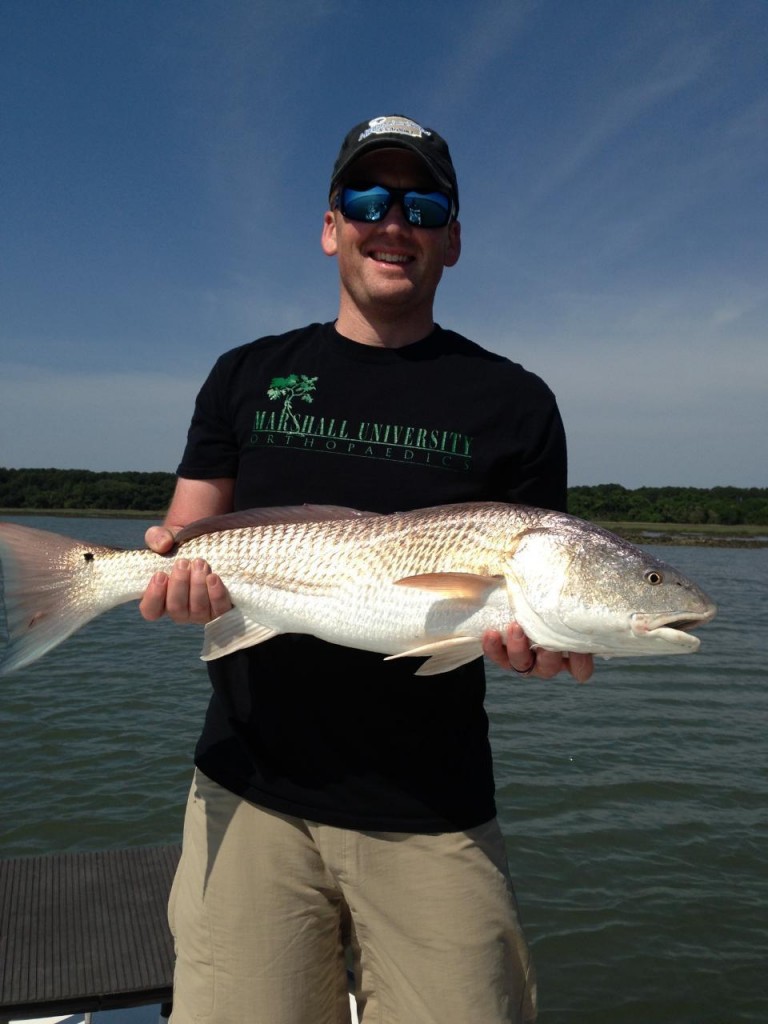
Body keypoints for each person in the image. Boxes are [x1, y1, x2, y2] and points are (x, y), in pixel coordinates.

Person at [139, 114, 593, 1024]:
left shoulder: (516, 403)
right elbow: (186, 533)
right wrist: (167, 578)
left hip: (434, 807)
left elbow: (526, 593)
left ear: (452, 240)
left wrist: (543, 645)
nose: (395, 222)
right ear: (330, 225)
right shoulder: (248, 373)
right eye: (367, 199)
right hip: (249, 789)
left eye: (423, 204)